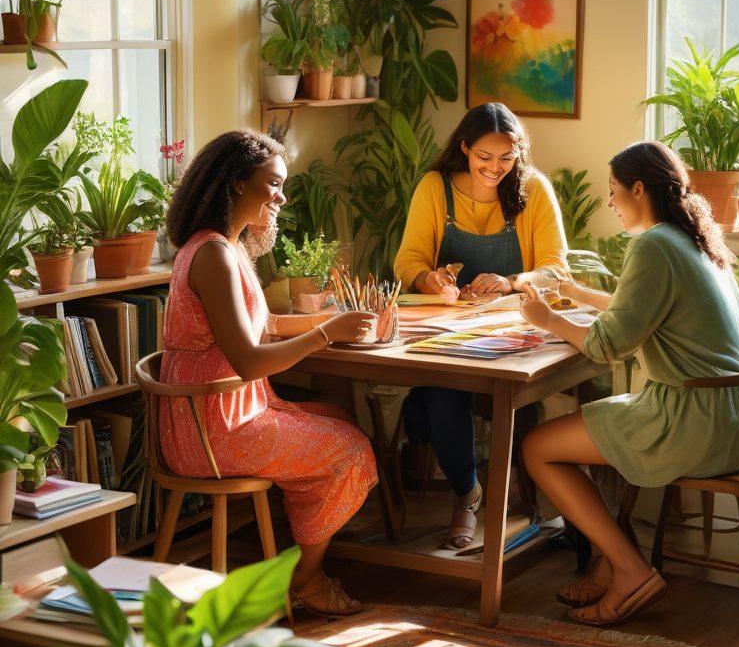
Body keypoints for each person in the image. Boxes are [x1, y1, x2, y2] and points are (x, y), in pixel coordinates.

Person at [519, 140, 739, 627]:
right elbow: (637, 309)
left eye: (613, 191)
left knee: (537, 447)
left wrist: (545, 318)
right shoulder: (690, 238)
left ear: (637, 188)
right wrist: (570, 291)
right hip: (737, 416)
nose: (610, 202)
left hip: (696, 421)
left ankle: (630, 569)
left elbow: (609, 345)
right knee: (601, 421)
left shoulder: (653, 245)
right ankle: (611, 560)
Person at [161, 130, 379, 617]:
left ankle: (297, 558)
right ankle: (306, 577)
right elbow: (249, 359)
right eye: (274, 184)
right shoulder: (214, 255)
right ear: (237, 184)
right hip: (214, 433)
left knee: (337, 415)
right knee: (350, 449)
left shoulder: (227, 248)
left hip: (221, 416)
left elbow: (268, 325)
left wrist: (339, 322)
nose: (281, 196)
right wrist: (327, 335)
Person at [393, 102, 567, 549]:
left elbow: (556, 270)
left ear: (519, 154)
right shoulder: (435, 188)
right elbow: (407, 260)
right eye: (484, 158)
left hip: (514, 333)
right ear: (465, 148)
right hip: (446, 328)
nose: (495, 169)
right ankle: (467, 494)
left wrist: (512, 282)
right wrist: (427, 278)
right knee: (439, 387)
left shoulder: (533, 189)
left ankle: (506, 499)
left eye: (506, 159)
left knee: (458, 397)